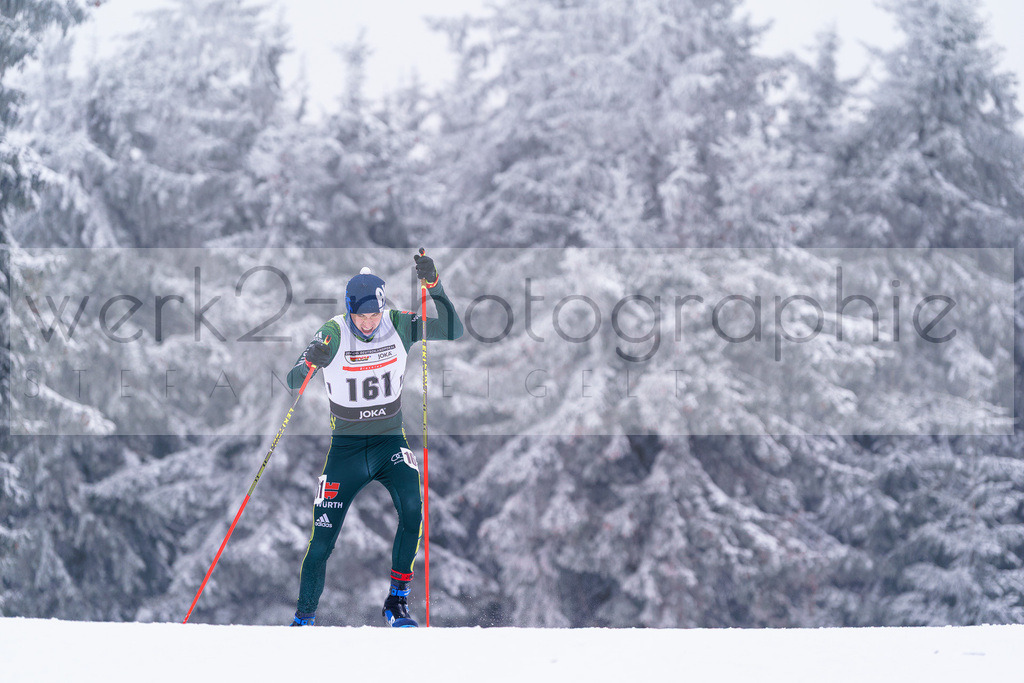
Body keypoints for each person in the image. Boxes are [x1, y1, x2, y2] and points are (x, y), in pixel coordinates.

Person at [287, 251, 463, 627]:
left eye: (373, 315)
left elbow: (452, 328)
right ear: (348, 310)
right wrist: (309, 362)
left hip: (389, 444)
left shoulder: (398, 324)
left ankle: (396, 601)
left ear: (383, 309)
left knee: (413, 510)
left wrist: (433, 283)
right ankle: (304, 619)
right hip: (346, 452)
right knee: (321, 544)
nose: (367, 323)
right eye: (360, 316)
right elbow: (292, 381)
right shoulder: (332, 331)